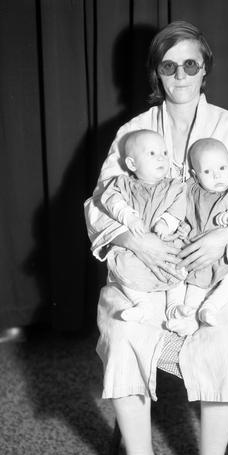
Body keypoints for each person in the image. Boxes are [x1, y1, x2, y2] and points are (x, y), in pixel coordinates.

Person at [84, 21, 228, 455]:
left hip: (212, 277)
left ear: (205, 69)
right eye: (168, 65)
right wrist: (138, 242)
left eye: (190, 64)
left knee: (220, 341)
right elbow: (102, 200)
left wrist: (223, 237)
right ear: (156, 72)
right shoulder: (134, 131)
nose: (180, 75)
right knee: (124, 332)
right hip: (148, 279)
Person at [165, 137, 228, 336]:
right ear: (195, 175)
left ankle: (212, 305)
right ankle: (187, 316)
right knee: (189, 280)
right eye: (207, 172)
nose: (217, 176)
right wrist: (182, 227)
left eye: (222, 168)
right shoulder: (191, 191)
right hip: (199, 249)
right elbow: (180, 212)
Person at [98, 129, 187, 323]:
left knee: (177, 268)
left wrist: (167, 221)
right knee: (123, 267)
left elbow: (180, 206)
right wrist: (129, 217)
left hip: (166, 242)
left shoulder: (174, 186)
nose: (161, 159)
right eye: (152, 154)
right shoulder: (122, 184)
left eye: (164, 153)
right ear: (132, 163)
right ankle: (141, 304)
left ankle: (175, 307)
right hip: (134, 247)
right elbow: (111, 200)